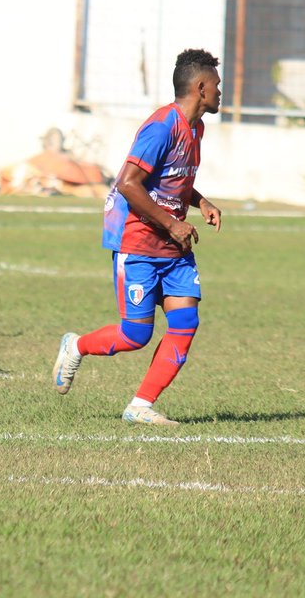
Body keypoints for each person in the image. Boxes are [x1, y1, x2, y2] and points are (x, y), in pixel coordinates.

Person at [52, 48, 223, 426]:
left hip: (173, 245)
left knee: (186, 323)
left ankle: (140, 405)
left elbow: (174, 180)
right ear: (199, 87)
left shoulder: (196, 128)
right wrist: (172, 223)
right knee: (135, 334)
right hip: (139, 243)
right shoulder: (161, 126)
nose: (219, 91)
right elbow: (130, 184)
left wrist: (201, 202)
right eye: (216, 85)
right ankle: (76, 345)